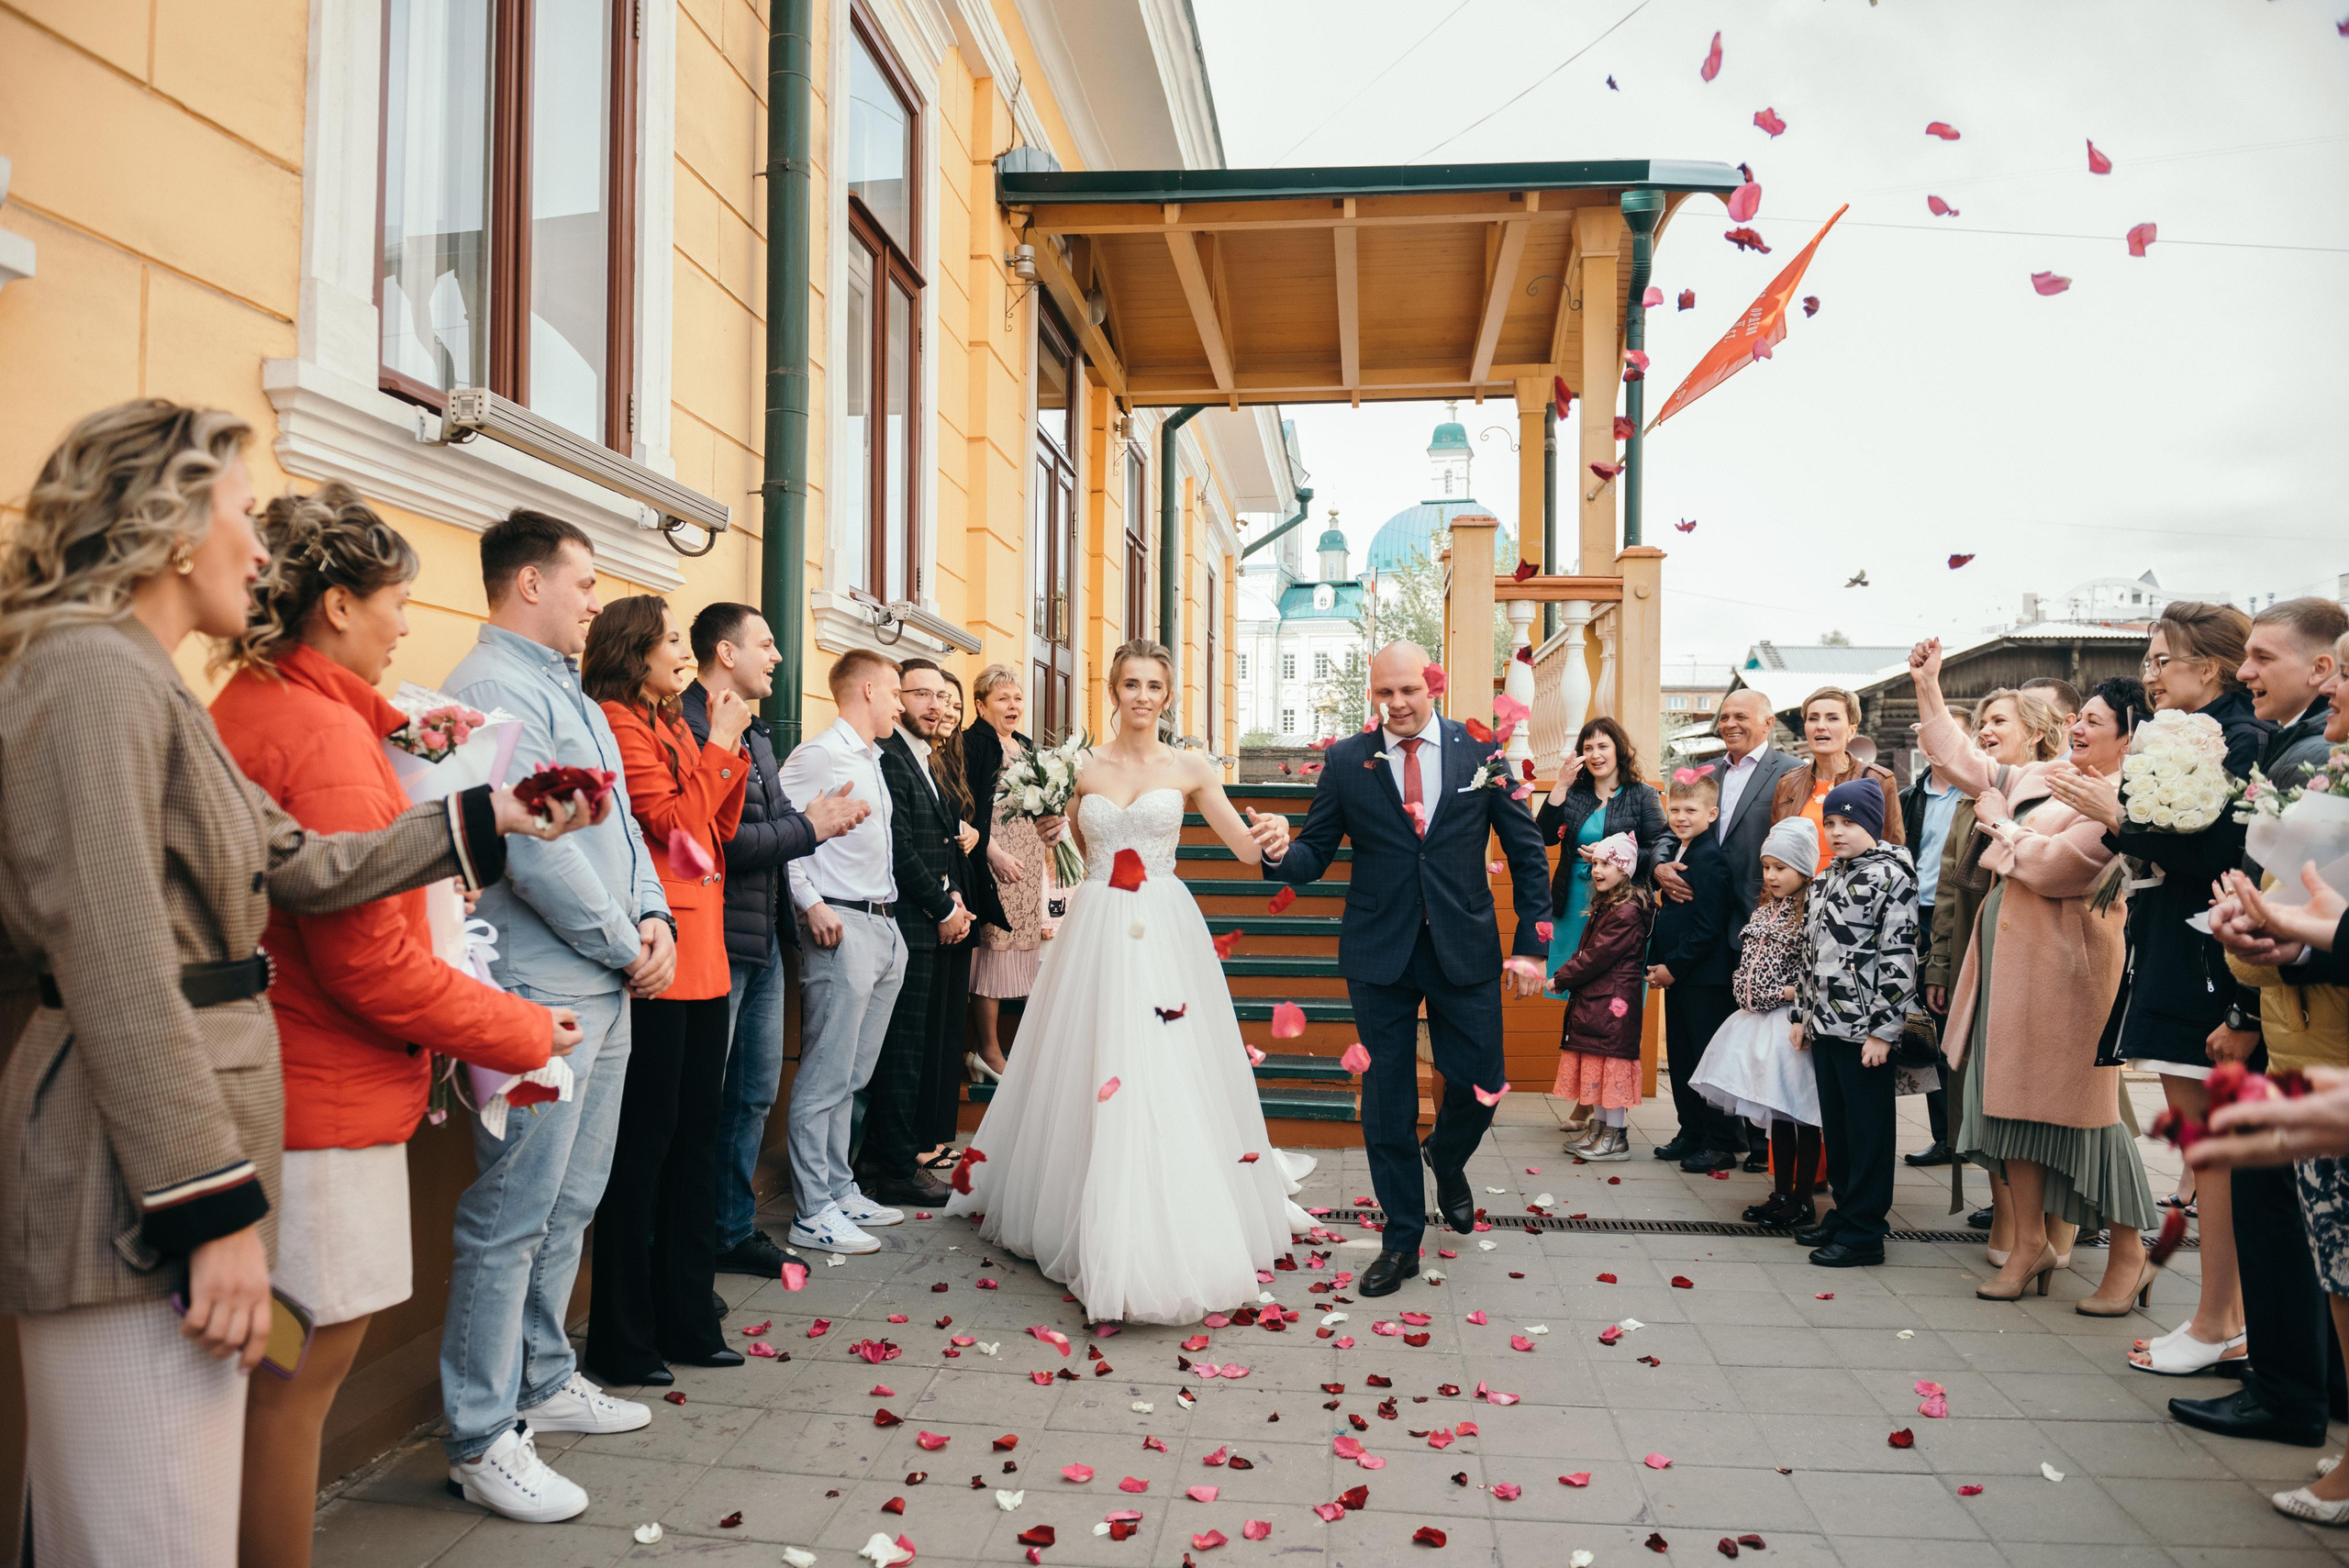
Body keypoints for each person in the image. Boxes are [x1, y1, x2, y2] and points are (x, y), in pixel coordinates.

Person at [0, 402, 596, 1565]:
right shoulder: (88, 671)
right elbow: (119, 968)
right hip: (131, 1188)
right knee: (145, 1530)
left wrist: (489, 816)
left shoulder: (144, 676)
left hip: (175, 1169)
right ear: (174, 529)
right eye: (238, 513)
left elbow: (300, 863)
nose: (262, 551)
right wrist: (212, 1211)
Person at [208, 485, 571, 1568]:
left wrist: (417, 732)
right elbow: (370, 965)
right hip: (325, 1103)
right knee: (298, 1381)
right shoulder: (319, 739)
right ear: (333, 605)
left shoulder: (269, 699)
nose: (408, 626)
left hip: (287, 1085)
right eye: (398, 602)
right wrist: (523, 1032)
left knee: (273, 1365)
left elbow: (358, 733)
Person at [945, 639, 1302, 1322]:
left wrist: (1278, 833)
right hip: (1102, 923)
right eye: (1131, 683)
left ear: (1168, 695)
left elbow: (1242, 846)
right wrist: (1054, 828)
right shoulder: (1077, 766)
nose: (1142, 696)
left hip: (1165, 922)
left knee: (1165, 1059)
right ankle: (1085, 1203)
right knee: (1099, 1057)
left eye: (1154, 686)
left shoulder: (1190, 765)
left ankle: (1171, 1205)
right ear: (1114, 690)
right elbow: (1070, 839)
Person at [440, 510, 676, 1522]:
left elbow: (613, 821)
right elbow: (533, 849)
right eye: (583, 583)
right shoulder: (492, 686)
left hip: (607, 979)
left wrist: (656, 911)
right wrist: (628, 943)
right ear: (529, 581)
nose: (594, 601)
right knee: (511, 1212)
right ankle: (479, 1432)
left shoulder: (559, 684)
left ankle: (540, 1375)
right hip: (549, 987)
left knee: (570, 1199)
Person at [1259, 641, 1553, 1297]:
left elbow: (1526, 851)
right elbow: (1313, 851)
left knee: (1483, 1081)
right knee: (1387, 1100)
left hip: (1464, 946)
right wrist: (1278, 850)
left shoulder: (1483, 752)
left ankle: (1446, 1158)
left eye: (1407, 692)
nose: (1395, 705)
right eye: (1383, 693)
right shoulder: (1345, 762)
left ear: (1433, 686)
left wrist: (1533, 945)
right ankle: (1400, 1239)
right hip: (1379, 951)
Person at [2045, 603, 2266, 1376]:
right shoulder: (2189, 732)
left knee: (2215, 1150)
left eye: (2162, 660)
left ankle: (2219, 1322)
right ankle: (2222, 1318)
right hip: (2173, 946)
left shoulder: (2239, 739)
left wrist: (2123, 816)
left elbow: (2220, 853)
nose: (2150, 675)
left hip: (2207, 961)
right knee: (2204, 1147)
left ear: (2209, 667)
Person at [1912, 641, 2155, 1307]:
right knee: (2007, 1108)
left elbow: (2058, 868)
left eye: (2094, 723)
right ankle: (2029, 1245)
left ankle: (2131, 1255)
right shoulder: (2040, 776)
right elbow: (1960, 759)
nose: (2077, 728)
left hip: (2072, 976)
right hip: (2007, 972)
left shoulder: (2124, 798)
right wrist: (1929, 686)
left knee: (2090, 1120)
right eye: (2078, 721)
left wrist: (1998, 831)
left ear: (2127, 737)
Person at [2171, 598, 2349, 1452]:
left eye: (2263, 658)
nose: (2247, 672)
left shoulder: (2319, 757)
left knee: (2281, 1207)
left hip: (2303, 1020)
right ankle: (2316, 1383)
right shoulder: (2307, 743)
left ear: (2321, 669)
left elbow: (2286, 891)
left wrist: (2242, 1002)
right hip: (2294, 1008)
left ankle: (2285, 1390)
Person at [579, 595, 749, 1384]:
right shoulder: (618, 721)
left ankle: (686, 1315)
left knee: (696, 1141)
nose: (683, 654)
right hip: (663, 953)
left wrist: (717, 749)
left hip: (705, 949)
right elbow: (672, 827)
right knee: (645, 1149)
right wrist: (718, 746)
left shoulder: (673, 722)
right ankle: (624, 1336)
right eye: (671, 642)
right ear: (634, 650)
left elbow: (711, 829)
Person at [681, 603, 866, 1282]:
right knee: (711, 1097)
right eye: (766, 643)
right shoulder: (695, 726)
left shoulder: (755, 732)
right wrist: (812, 828)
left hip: (760, 941)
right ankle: (694, 1239)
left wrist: (814, 824)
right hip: (715, 943)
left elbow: (780, 823)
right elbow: (720, 839)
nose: (778, 656)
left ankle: (732, 1230)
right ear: (726, 654)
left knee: (755, 1094)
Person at [780, 651, 913, 1254]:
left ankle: (839, 1186)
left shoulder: (871, 759)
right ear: (865, 689)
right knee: (826, 1074)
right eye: (893, 691)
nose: (900, 703)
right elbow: (783, 831)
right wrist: (810, 901)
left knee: (854, 1075)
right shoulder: (819, 755)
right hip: (839, 924)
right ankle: (812, 1210)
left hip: (882, 926)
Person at [1923, 689, 2066, 1237]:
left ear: (2034, 732)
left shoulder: (2056, 788)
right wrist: (1939, 965)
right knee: (1978, 1086)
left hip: (2035, 958)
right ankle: (2007, 1213)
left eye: (1997, 721)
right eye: (1980, 721)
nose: (1984, 729)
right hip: (1971, 952)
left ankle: (2054, 1221)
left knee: (2032, 1088)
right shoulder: (1972, 795)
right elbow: (1947, 889)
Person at [1665, 690, 1803, 1169]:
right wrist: (1662, 862)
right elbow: (1678, 823)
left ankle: (1752, 1142)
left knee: (1752, 1041)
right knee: (1700, 1036)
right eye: (1724, 716)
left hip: (1757, 919)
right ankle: (1699, 1129)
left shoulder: (1789, 773)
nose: (1729, 723)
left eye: (1741, 716)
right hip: (1704, 923)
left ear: (1768, 722)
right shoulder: (1710, 772)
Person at [1787, 782, 1919, 1268]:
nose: (1838, 832)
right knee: (1837, 1130)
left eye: (1849, 823)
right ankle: (1845, 1213)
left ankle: (1865, 1232)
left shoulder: (1891, 876)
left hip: (1863, 1030)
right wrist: (1802, 1014)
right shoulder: (1826, 877)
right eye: (1832, 824)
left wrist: (1884, 1030)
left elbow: (1899, 956)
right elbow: (1808, 950)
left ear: (1872, 824)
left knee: (1868, 1132)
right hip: (1825, 1025)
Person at [863, 657, 975, 1208]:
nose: (934, 705)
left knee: (913, 1048)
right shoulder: (888, 758)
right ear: (897, 698)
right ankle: (894, 1168)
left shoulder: (923, 758)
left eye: (940, 695)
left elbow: (933, 840)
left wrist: (953, 897)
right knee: (900, 1051)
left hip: (929, 918)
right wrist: (941, 906)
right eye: (920, 694)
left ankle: (898, 1159)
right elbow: (898, 847)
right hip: (906, 921)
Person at [1534, 714, 1669, 1151]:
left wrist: (1616, 854)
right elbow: (1543, 835)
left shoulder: (1643, 794)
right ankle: (1585, 1098)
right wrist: (1556, 788)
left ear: (1618, 750)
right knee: (1576, 991)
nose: (1595, 754)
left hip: (1617, 904)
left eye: (1602, 746)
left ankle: (1595, 1107)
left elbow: (1660, 845)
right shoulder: (1572, 794)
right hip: (1573, 903)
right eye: (1588, 747)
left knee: (1605, 990)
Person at [1694, 817, 1823, 1227]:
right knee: (1777, 1116)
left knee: (1801, 1115)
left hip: (1789, 1025)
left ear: (1803, 869)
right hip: (1755, 1020)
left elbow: (1815, 972)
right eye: (1767, 867)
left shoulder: (1811, 913)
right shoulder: (1767, 908)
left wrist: (1788, 994)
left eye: (1781, 868)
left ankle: (1803, 1199)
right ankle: (1781, 1192)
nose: (1771, 875)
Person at [963, 666, 1063, 1079]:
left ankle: (1014, 1050)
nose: (1013, 706)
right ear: (980, 704)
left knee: (1020, 950)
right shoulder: (972, 744)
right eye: (1003, 699)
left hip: (1028, 866)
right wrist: (993, 853)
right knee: (992, 951)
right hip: (994, 865)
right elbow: (965, 810)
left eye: (1018, 699)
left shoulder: (1025, 746)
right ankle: (986, 1050)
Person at [1645, 769, 1742, 1172]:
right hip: (1681, 977)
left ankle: (1719, 1140)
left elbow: (1708, 928)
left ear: (1712, 813)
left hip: (1703, 978)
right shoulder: (1679, 853)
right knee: (1682, 1058)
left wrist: (1673, 966)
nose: (1681, 816)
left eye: (1691, 810)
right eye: (1676, 809)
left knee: (1706, 1058)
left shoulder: (1710, 859)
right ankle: (1690, 1131)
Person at [1549, 832, 1656, 1162]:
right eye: (1596, 862)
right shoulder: (1610, 905)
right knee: (1596, 1064)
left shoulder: (1625, 913)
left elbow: (1597, 955)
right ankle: (1600, 1130)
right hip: (1599, 999)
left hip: (1612, 1002)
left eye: (1607, 863)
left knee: (1611, 1066)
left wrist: (1562, 978)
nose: (1597, 869)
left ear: (1625, 870)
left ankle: (1615, 1137)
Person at [918, 668, 984, 1166]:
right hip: (937, 900)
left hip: (959, 893)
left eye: (955, 704)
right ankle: (927, 1137)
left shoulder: (951, 760)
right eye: (940, 700)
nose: (948, 711)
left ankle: (939, 1133)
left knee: (947, 1024)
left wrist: (976, 836)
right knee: (930, 1026)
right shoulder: (920, 761)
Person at [1898, 704, 1968, 1168]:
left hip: (1957, 916)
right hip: (1912, 917)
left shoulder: (1976, 794)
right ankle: (1944, 1135)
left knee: (1954, 1026)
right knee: (1921, 1027)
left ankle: (1966, 1137)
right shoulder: (1910, 796)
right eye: (1929, 734)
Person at [1772, 686, 1906, 851]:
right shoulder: (1788, 783)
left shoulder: (1877, 780)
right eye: (1813, 718)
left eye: (1832, 718)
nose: (1820, 726)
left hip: (1854, 878)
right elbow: (1776, 850)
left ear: (1851, 731)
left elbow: (1894, 851)